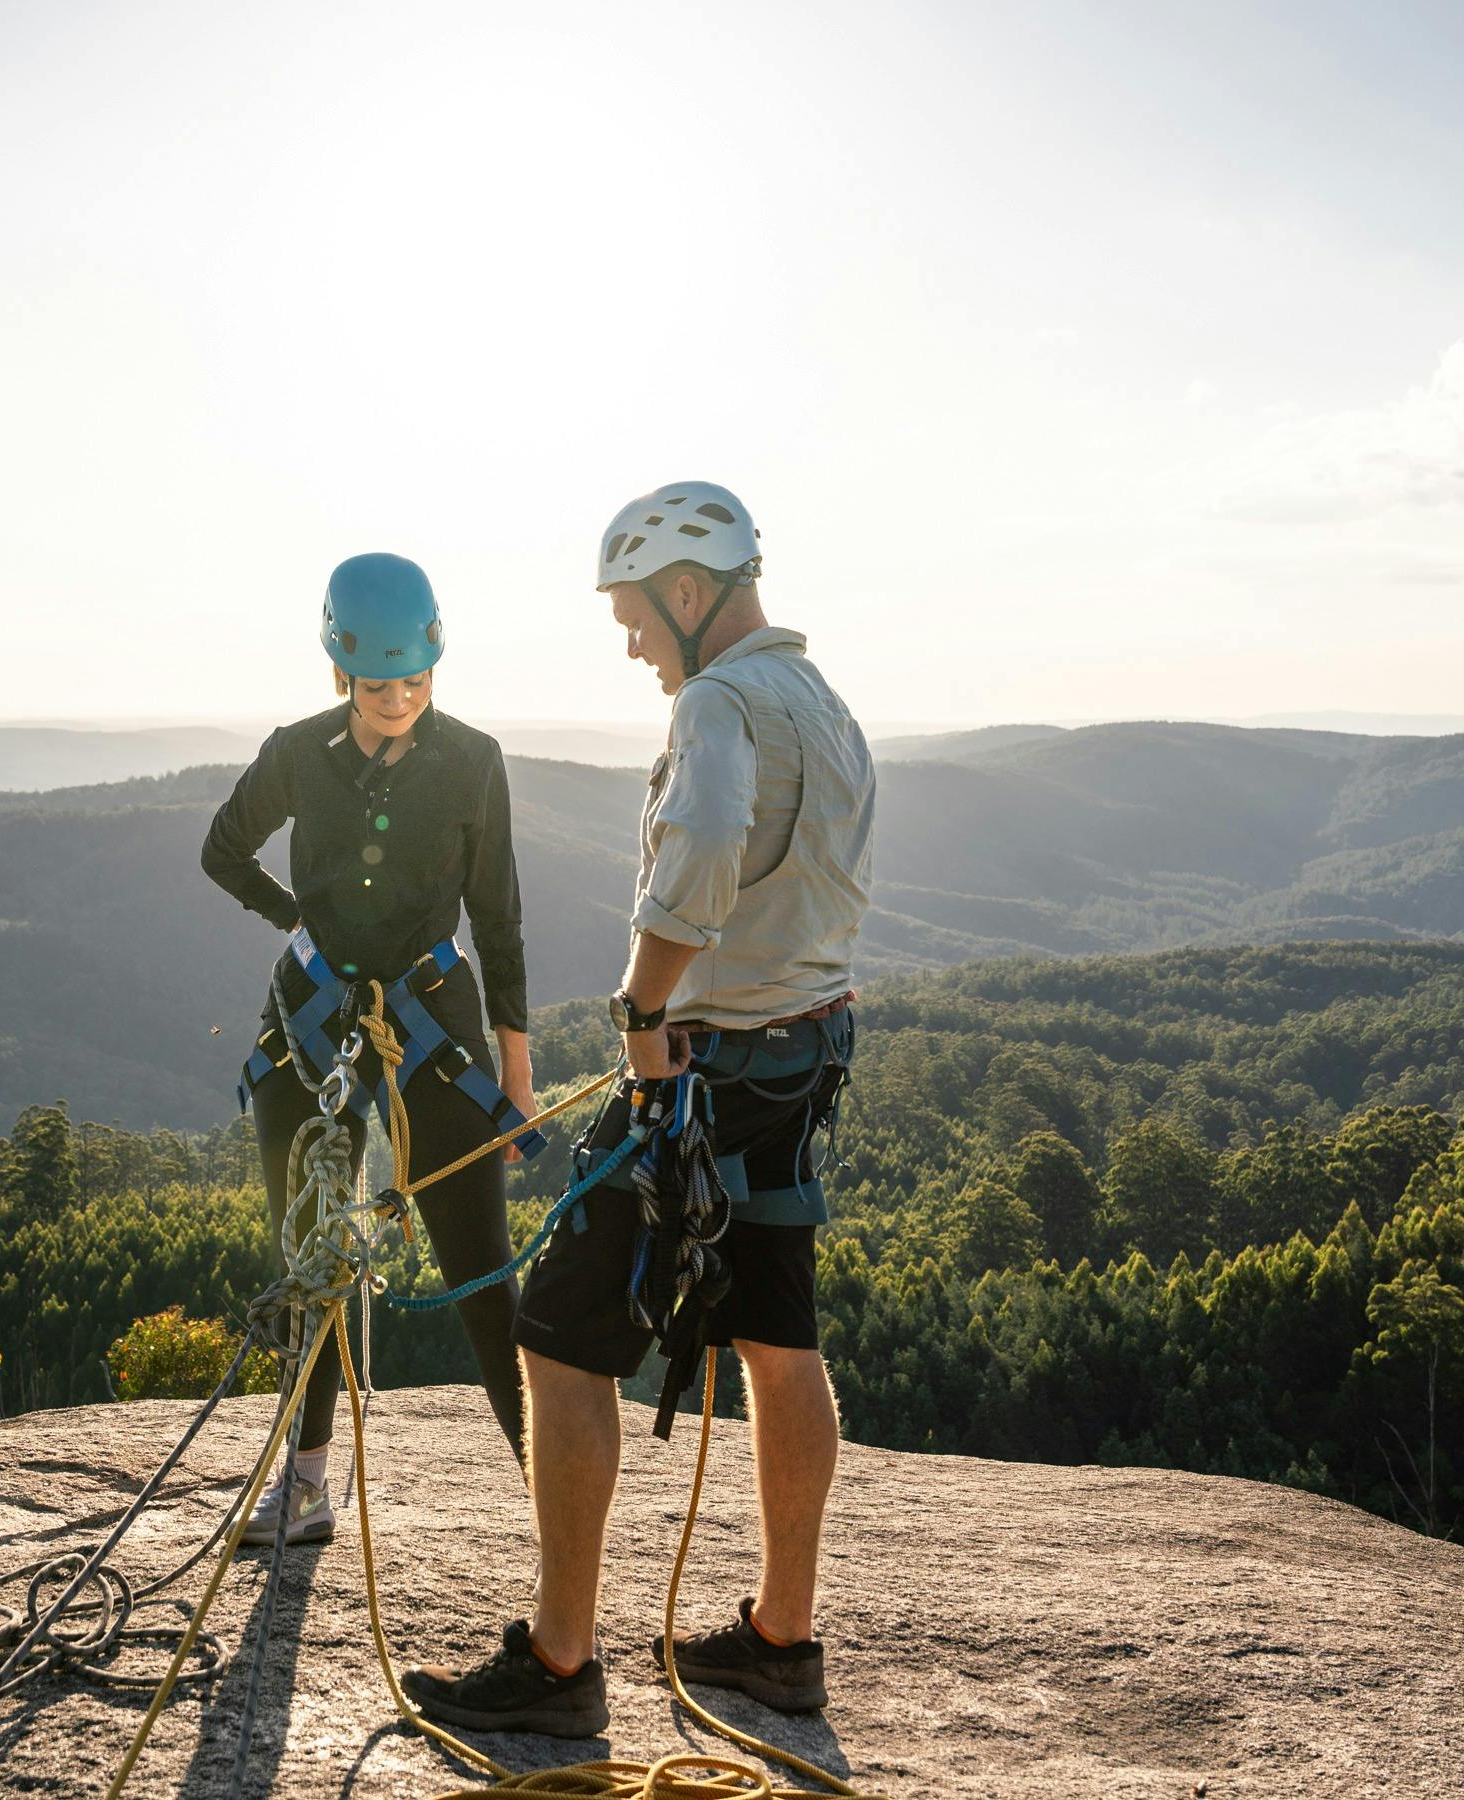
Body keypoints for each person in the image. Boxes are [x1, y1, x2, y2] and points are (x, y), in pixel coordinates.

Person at [403, 482, 874, 1736]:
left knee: (559, 1339)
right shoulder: (822, 704)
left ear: (686, 593)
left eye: (631, 616)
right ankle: (781, 1639)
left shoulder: (722, 704)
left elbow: (704, 846)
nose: (627, 643)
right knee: (780, 1332)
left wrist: (637, 1013)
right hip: (798, 1053)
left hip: (701, 1069)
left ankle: (559, 1666)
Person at [201, 551, 545, 1549]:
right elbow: (224, 847)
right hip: (314, 1025)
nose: (396, 699)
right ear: (339, 670)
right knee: (312, 1261)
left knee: (481, 1271)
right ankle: (307, 1487)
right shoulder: (297, 751)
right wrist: (293, 923)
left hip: (433, 1026)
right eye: (375, 682)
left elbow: (502, 920)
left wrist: (514, 1082)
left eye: (413, 680)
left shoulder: (473, 758)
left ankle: (549, 1500)